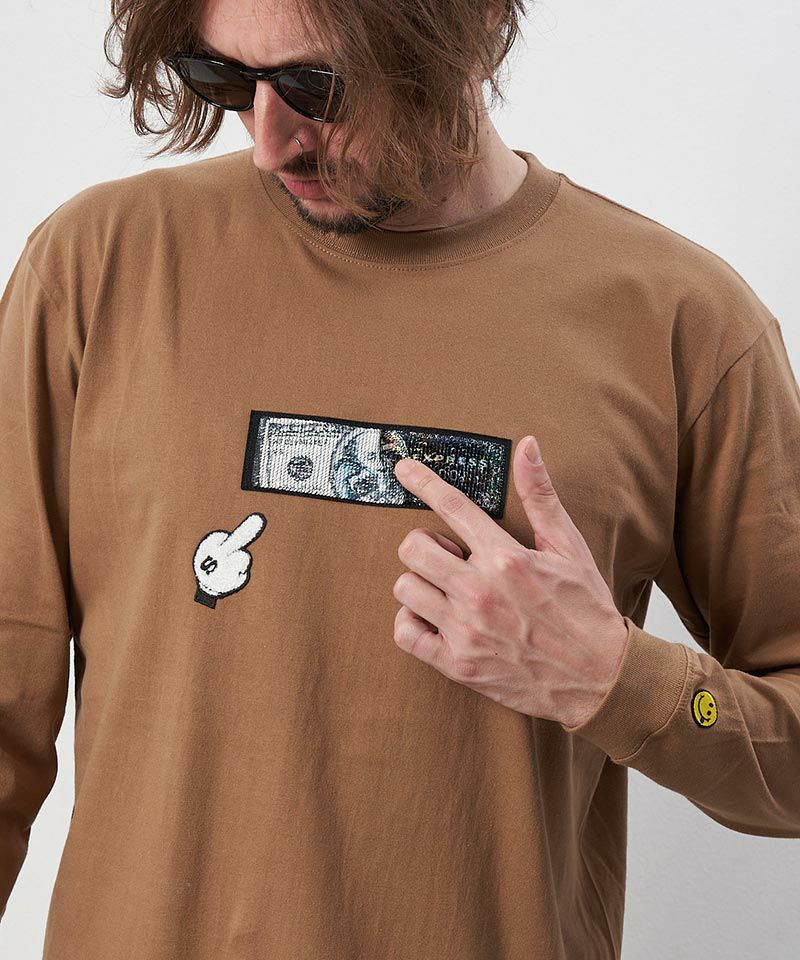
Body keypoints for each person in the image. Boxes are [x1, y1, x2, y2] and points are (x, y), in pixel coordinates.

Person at [1, 0, 798, 956]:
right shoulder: (99, 268)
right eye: (224, 80)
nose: (268, 142)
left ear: (469, 27)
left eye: (318, 86)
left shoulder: (680, 323)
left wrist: (619, 681)